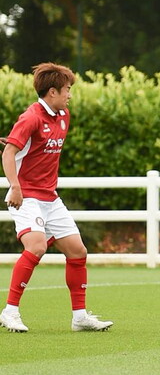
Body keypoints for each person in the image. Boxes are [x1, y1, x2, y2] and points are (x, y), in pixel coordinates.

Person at [0, 63, 113, 333]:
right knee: (36, 247)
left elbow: (33, 151)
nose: (70, 95)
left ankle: (80, 317)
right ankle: (10, 312)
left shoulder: (64, 116)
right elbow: (8, 154)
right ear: (52, 92)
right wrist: (15, 186)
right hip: (26, 197)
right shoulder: (30, 118)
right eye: (67, 89)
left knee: (78, 251)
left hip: (51, 199)